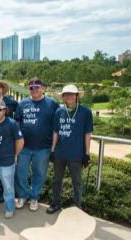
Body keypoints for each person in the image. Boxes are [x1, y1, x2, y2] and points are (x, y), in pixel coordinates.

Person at [46, 85, 93, 214]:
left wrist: (87, 154)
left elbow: (87, 134)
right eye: (66, 94)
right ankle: (56, 203)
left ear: (77, 96)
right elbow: (56, 132)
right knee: (56, 180)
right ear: (63, 97)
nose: (69, 97)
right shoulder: (59, 112)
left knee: (77, 183)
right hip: (60, 153)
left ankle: (77, 208)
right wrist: (53, 150)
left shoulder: (85, 112)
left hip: (77, 154)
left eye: (72, 94)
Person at [15, 78, 59, 211]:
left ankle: (34, 197)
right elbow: (17, 123)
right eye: (31, 88)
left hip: (43, 147)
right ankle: (23, 196)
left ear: (42, 88)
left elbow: (57, 125)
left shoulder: (52, 103)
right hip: (23, 147)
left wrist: (54, 147)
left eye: (37, 87)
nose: (34, 90)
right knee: (20, 172)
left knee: (39, 173)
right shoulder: (22, 103)